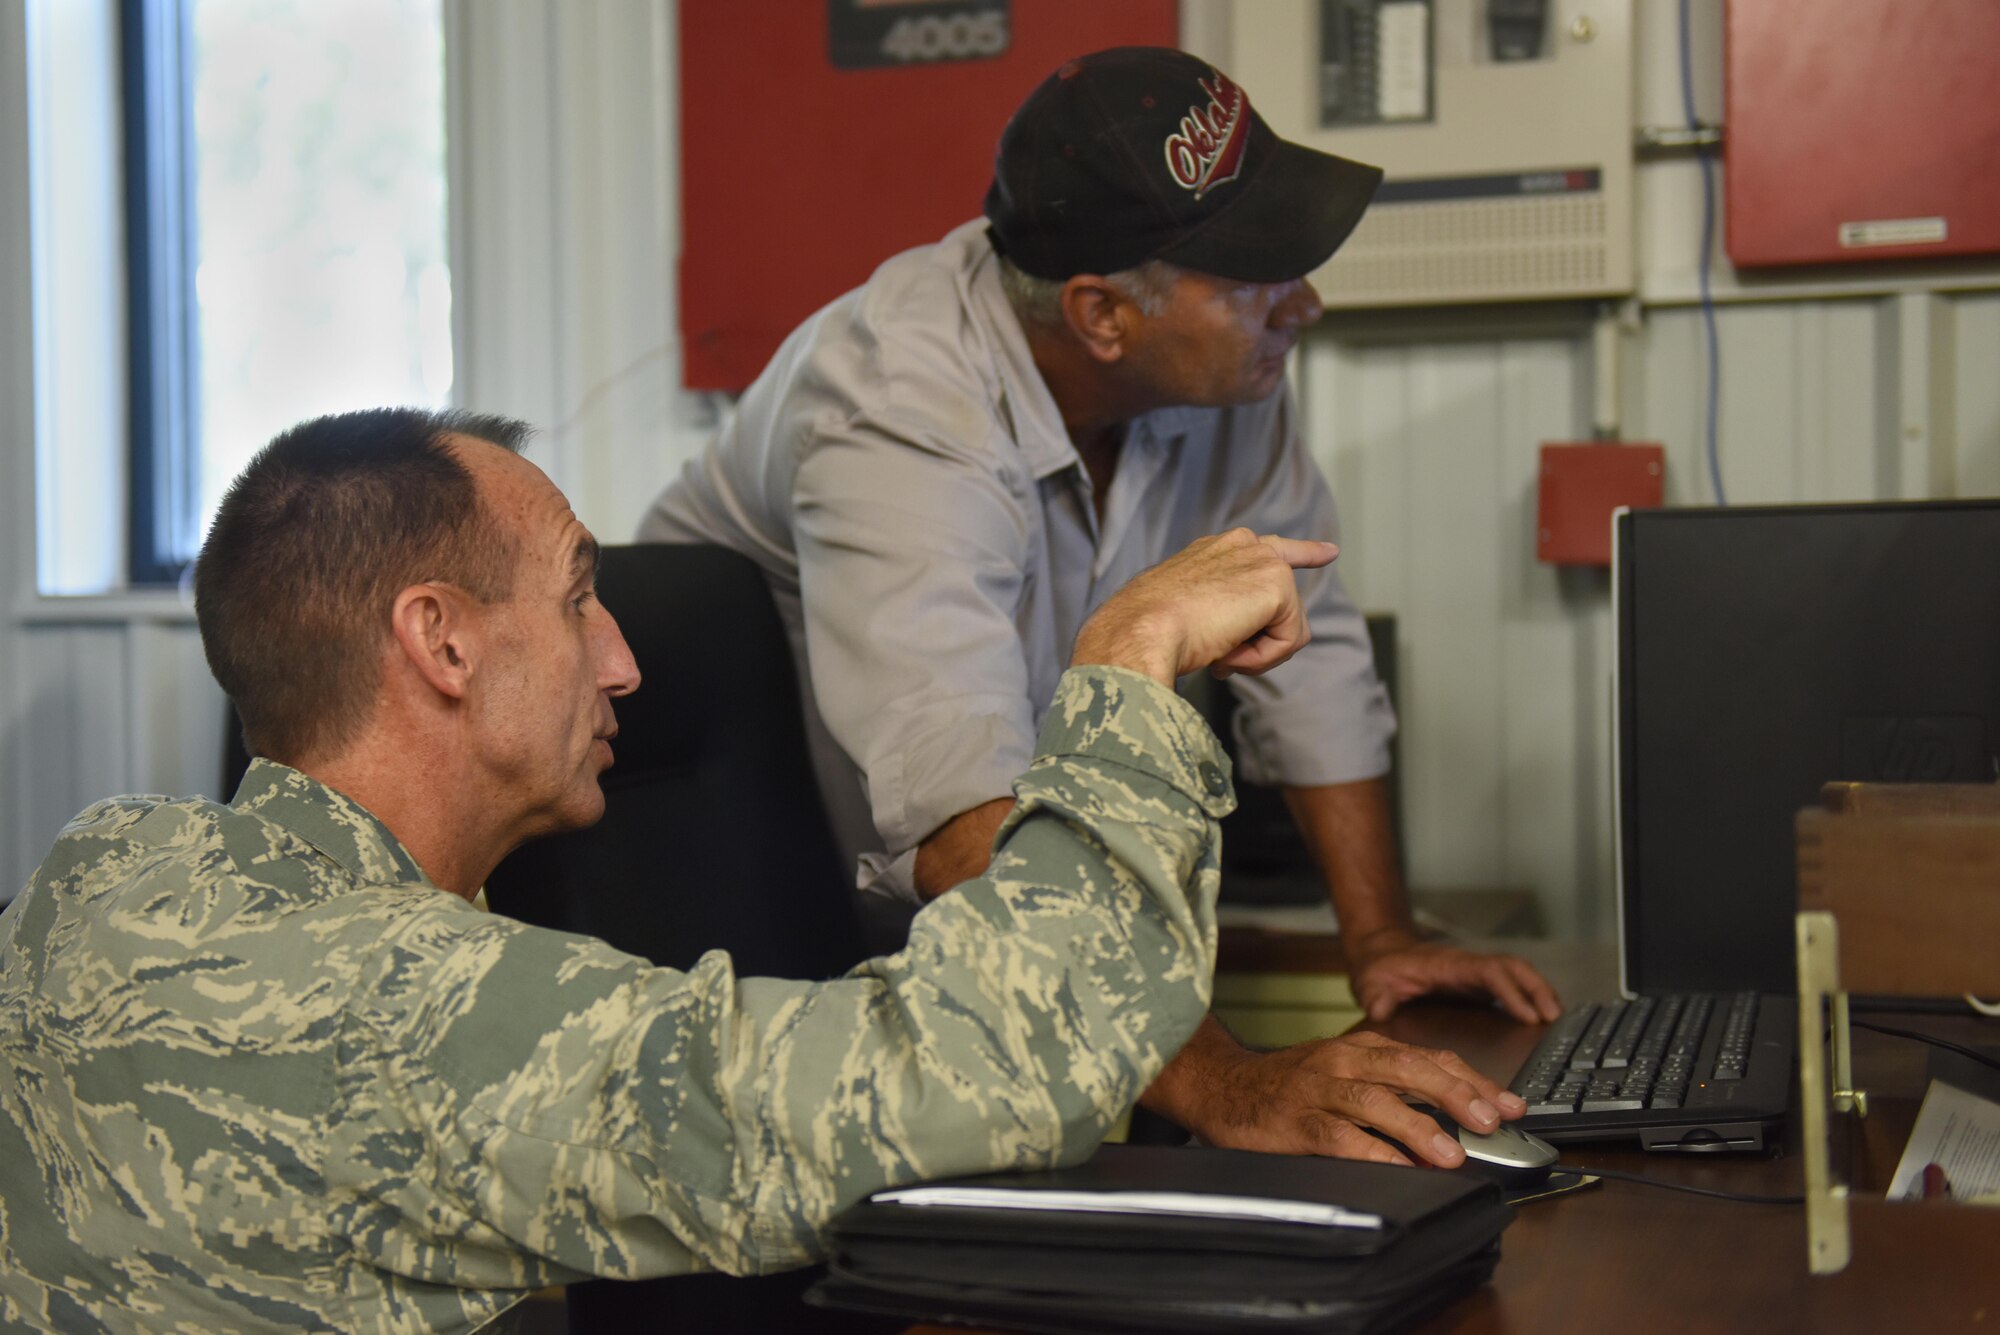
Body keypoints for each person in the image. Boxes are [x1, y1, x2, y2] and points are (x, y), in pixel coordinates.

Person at [0, 408, 1519, 1332]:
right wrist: (1126, 660)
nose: (625, 659)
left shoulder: (101, 867)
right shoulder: (421, 1018)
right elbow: (1002, 1062)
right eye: (582, 598)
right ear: (441, 640)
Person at [637, 46, 1561, 1153]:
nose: (1303, 306)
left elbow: (1307, 649)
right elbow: (955, 813)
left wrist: (1380, 938)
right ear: (1102, 315)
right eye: (1254, 277)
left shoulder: (1221, 370)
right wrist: (1224, 1083)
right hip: (766, 870)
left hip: (1003, 872)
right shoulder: (895, 412)